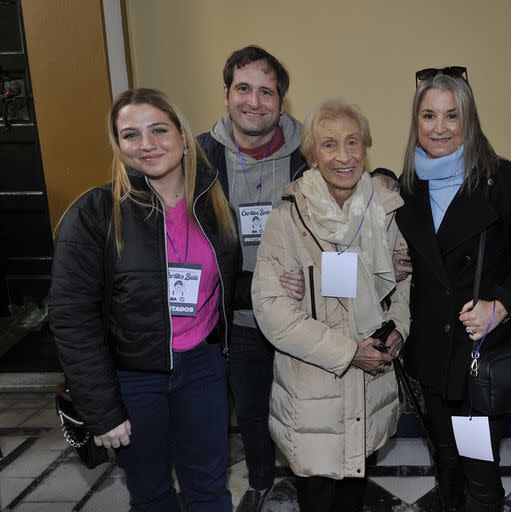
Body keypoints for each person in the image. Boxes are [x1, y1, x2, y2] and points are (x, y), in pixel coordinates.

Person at [48, 88, 239, 511]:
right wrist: (102, 408)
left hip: (203, 368)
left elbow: (225, 283)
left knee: (209, 489)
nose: (147, 144)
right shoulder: (95, 212)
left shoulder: (214, 203)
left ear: (184, 137)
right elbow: (71, 317)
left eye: (158, 130)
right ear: (118, 146)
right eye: (130, 135)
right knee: (151, 493)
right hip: (134, 377)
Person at [396, 67, 511, 511]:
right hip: (431, 353)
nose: (440, 128)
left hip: (478, 353)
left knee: (480, 469)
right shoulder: (408, 187)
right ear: (417, 122)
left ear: (469, 120)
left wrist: (500, 305)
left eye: (452, 116)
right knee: (446, 460)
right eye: (429, 116)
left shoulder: (507, 182)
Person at [252, 99, 410, 512]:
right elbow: (271, 309)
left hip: (371, 386)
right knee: (318, 498)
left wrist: (398, 330)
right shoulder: (287, 218)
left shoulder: (384, 212)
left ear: (365, 149)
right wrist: (347, 352)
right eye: (329, 144)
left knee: (354, 494)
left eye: (353, 142)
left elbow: (404, 283)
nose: (343, 155)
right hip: (313, 395)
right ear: (313, 155)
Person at [197, 45, 307, 512]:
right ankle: (261, 480)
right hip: (237, 312)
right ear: (226, 94)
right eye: (244, 88)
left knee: (306, 405)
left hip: (301, 310)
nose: (255, 102)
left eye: (267, 92)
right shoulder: (197, 157)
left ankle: (311, 480)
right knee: (253, 408)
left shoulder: (308, 155)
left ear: (281, 102)